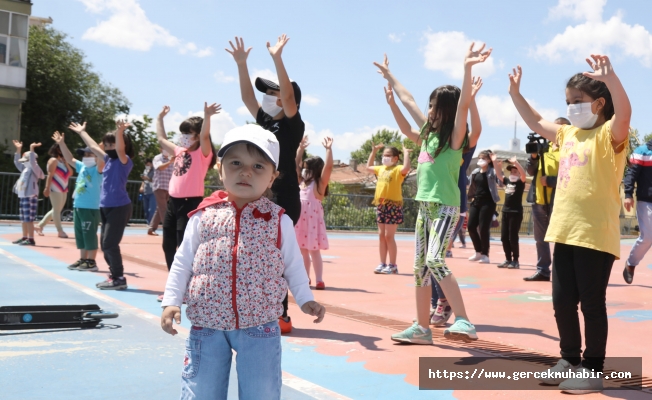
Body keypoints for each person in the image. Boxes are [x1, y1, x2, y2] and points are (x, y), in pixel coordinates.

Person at [160, 124, 325, 400]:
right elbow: (182, 262)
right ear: (220, 169)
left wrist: (305, 298)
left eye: (258, 166)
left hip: (259, 325)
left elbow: (293, 265)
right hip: (207, 324)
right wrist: (171, 301)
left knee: (261, 392)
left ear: (273, 178)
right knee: (201, 391)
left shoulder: (279, 220)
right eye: (236, 163)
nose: (246, 172)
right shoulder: (202, 216)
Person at [509, 54, 631, 394]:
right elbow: (535, 121)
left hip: (595, 236)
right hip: (563, 231)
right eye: (567, 102)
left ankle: (592, 369)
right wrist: (515, 94)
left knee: (592, 304)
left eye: (577, 101)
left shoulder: (610, 135)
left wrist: (613, 78)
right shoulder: (567, 134)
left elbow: (625, 114)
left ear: (599, 103)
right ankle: (569, 359)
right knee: (562, 301)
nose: (571, 107)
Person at [375, 42, 492, 344]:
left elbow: (464, 104)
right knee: (419, 268)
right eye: (429, 105)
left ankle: (465, 320)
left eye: (435, 106)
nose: (428, 110)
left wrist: (466, 69)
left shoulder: (454, 139)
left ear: (448, 111)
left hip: (445, 207)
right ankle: (421, 328)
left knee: (435, 259)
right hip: (424, 208)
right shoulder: (426, 137)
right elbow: (408, 101)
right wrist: (390, 79)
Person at [227, 34, 304, 334]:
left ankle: (281, 314)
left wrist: (277, 58)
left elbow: (287, 99)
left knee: (276, 257)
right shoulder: (266, 123)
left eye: (274, 93)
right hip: (261, 197)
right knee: (255, 254)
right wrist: (241, 64)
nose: (268, 98)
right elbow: (247, 97)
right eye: (267, 93)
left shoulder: (293, 124)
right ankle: (258, 307)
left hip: (285, 199)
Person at [430, 76, 483, 327]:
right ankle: (437, 302)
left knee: (435, 257)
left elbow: (476, 130)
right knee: (430, 259)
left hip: (453, 206)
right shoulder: (435, 141)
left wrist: (470, 101)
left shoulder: (460, 144)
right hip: (431, 205)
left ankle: (444, 301)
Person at [156, 103, 219, 301]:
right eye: (182, 133)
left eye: (188, 133)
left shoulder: (202, 154)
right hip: (173, 203)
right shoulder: (179, 151)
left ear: (197, 136)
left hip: (190, 203)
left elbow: (205, 137)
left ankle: (188, 287)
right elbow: (160, 139)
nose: (184, 136)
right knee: (168, 245)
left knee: (185, 247)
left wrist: (206, 117)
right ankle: (174, 287)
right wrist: (159, 119)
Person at [69, 120, 135, 290]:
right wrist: (82, 132)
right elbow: (92, 146)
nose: (108, 146)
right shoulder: (107, 159)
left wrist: (119, 131)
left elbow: (120, 149)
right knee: (105, 245)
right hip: (105, 206)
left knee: (110, 244)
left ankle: (119, 278)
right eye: (106, 144)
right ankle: (114, 276)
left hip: (119, 207)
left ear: (121, 144)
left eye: (111, 143)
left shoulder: (124, 160)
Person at [52, 132, 104, 271]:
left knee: (89, 234)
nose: (86, 157)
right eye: (85, 155)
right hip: (78, 206)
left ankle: (91, 261)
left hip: (90, 208)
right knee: (80, 234)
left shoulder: (98, 169)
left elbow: (102, 158)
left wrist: (99, 148)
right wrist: (61, 143)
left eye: (90, 155)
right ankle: (83, 259)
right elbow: (69, 158)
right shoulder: (82, 167)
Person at [523, 118, 566, 282]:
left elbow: (575, 174)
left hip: (559, 200)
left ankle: (560, 272)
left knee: (560, 238)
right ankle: (543, 270)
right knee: (540, 239)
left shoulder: (570, 150)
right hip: (538, 199)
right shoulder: (544, 147)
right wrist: (534, 156)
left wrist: (551, 181)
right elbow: (531, 171)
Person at [294, 136, 334, 289]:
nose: (304, 170)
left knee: (314, 251)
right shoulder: (301, 182)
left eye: (308, 168)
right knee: (303, 251)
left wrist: (328, 149)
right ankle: (306, 279)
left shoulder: (319, 184)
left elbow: (329, 167)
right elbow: (295, 164)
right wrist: (300, 149)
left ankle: (319, 279)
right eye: (304, 168)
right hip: (300, 221)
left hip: (312, 223)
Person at [366, 143, 411, 274]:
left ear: (395, 158)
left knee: (389, 236)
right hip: (381, 205)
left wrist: (406, 152)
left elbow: (407, 167)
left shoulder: (398, 169)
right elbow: (368, 167)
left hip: (393, 206)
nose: (385, 157)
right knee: (381, 236)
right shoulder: (381, 168)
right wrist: (373, 151)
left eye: (388, 155)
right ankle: (382, 263)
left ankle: (393, 265)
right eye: (384, 155)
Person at [623, 135, 652, 284]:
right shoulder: (642, 151)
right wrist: (628, 194)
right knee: (647, 237)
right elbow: (631, 174)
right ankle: (630, 264)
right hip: (646, 201)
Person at [467, 149, 502, 264]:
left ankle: (485, 255)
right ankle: (478, 252)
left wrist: (495, 163)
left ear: (489, 160)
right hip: (476, 201)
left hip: (488, 203)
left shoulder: (492, 171)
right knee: (471, 226)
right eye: (480, 158)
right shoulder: (476, 172)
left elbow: (500, 181)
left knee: (483, 228)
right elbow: (467, 182)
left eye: (484, 158)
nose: (481, 160)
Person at [492, 155, 526, 269]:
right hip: (505, 211)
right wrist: (495, 162)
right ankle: (508, 259)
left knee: (513, 237)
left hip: (515, 213)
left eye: (515, 172)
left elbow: (524, 175)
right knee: (504, 237)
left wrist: (516, 163)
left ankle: (515, 260)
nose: (512, 174)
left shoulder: (520, 183)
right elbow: (499, 175)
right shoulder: (507, 182)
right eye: (511, 172)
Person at [35, 144, 72, 238]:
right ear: (58, 150)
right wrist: (47, 188)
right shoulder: (53, 160)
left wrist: (66, 162)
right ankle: (60, 231)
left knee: (56, 210)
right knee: (56, 210)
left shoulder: (62, 161)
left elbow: (71, 173)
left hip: (63, 188)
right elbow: (50, 175)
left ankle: (39, 226)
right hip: (55, 188)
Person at [12, 140, 45, 246]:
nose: (24, 162)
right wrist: (18, 149)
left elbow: (32, 162)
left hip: (30, 196)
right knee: (23, 219)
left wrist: (31, 148)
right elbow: (17, 162)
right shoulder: (25, 169)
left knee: (29, 219)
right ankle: (24, 237)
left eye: (26, 160)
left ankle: (31, 239)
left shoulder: (35, 169)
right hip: (23, 195)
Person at [147, 148, 174, 236]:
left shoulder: (172, 159)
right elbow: (160, 167)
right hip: (159, 186)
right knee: (163, 208)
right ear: (161, 149)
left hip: (169, 187)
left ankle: (151, 228)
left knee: (160, 208)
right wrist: (170, 162)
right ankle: (168, 229)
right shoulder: (157, 158)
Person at [139, 158, 157, 226]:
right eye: (146, 165)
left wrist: (147, 178)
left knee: (151, 209)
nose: (147, 166)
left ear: (152, 164)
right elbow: (144, 180)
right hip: (145, 192)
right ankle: (148, 222)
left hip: (153, 192)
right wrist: (141, 186)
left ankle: (151, 224)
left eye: (148, 164)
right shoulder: (145, 170)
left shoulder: (155, 171)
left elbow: (154, 181)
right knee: (146, 210)